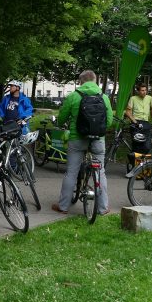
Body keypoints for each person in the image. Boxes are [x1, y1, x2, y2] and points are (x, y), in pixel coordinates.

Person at [51, 70, 113, 216]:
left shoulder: (73, 96)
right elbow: (109, 121)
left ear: (81, 82)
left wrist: (61, 123)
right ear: (95, 81)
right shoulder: (104, 97)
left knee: (71, 172)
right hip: (98, 140)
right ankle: (102, 208)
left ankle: (63, 206)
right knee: (100, 172)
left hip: (77, 139)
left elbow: (62, 118)